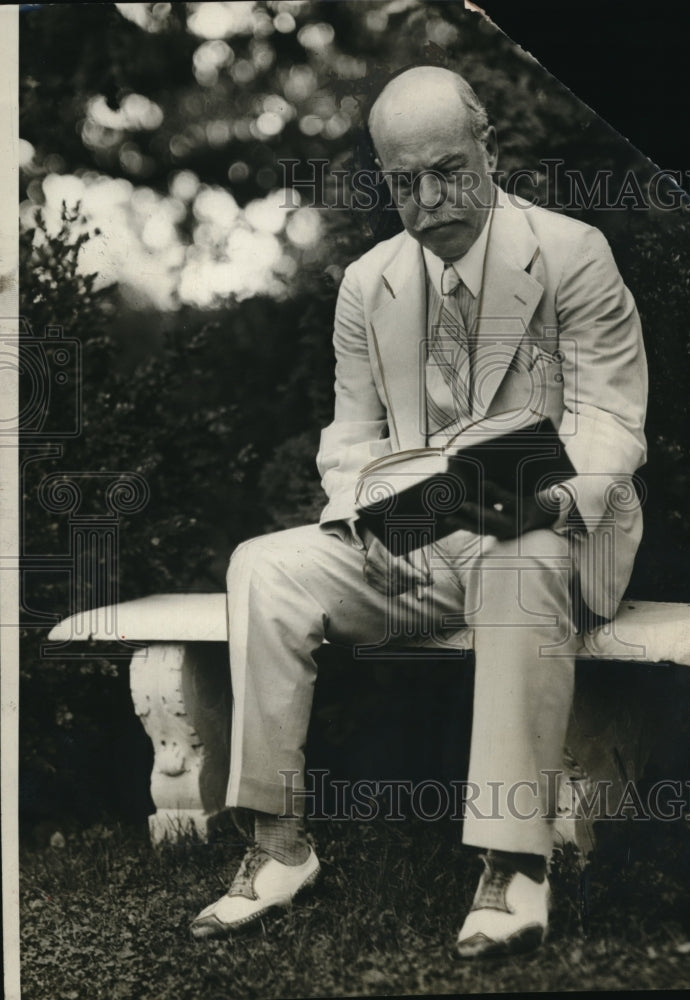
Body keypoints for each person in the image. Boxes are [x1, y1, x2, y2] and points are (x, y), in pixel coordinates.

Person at [191, 65, 648, 957]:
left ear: (489, 151)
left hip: (556, 532)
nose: (430, 201)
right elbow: (351, 440)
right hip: (422, 544)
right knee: (263, 565)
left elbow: (611, 418)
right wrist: (369, 520)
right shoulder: (369, 284)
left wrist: (551, 496)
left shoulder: (571, 252)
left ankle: (513, 865)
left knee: (518, 555)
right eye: (406, 183)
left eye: (448, 172)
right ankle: (278, 847)